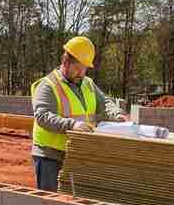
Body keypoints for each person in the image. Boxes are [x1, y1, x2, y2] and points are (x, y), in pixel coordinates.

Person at [31, 36, 126, 191]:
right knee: (50, 201)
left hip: (77, 153)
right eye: (77, 68)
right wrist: (73, 125)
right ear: (65, 62)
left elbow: (104, 103)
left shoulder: (88, 83)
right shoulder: (48, 85)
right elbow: (43, 116)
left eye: (84, 69)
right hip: (50, 156)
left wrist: (117, 114)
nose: (81, 73)